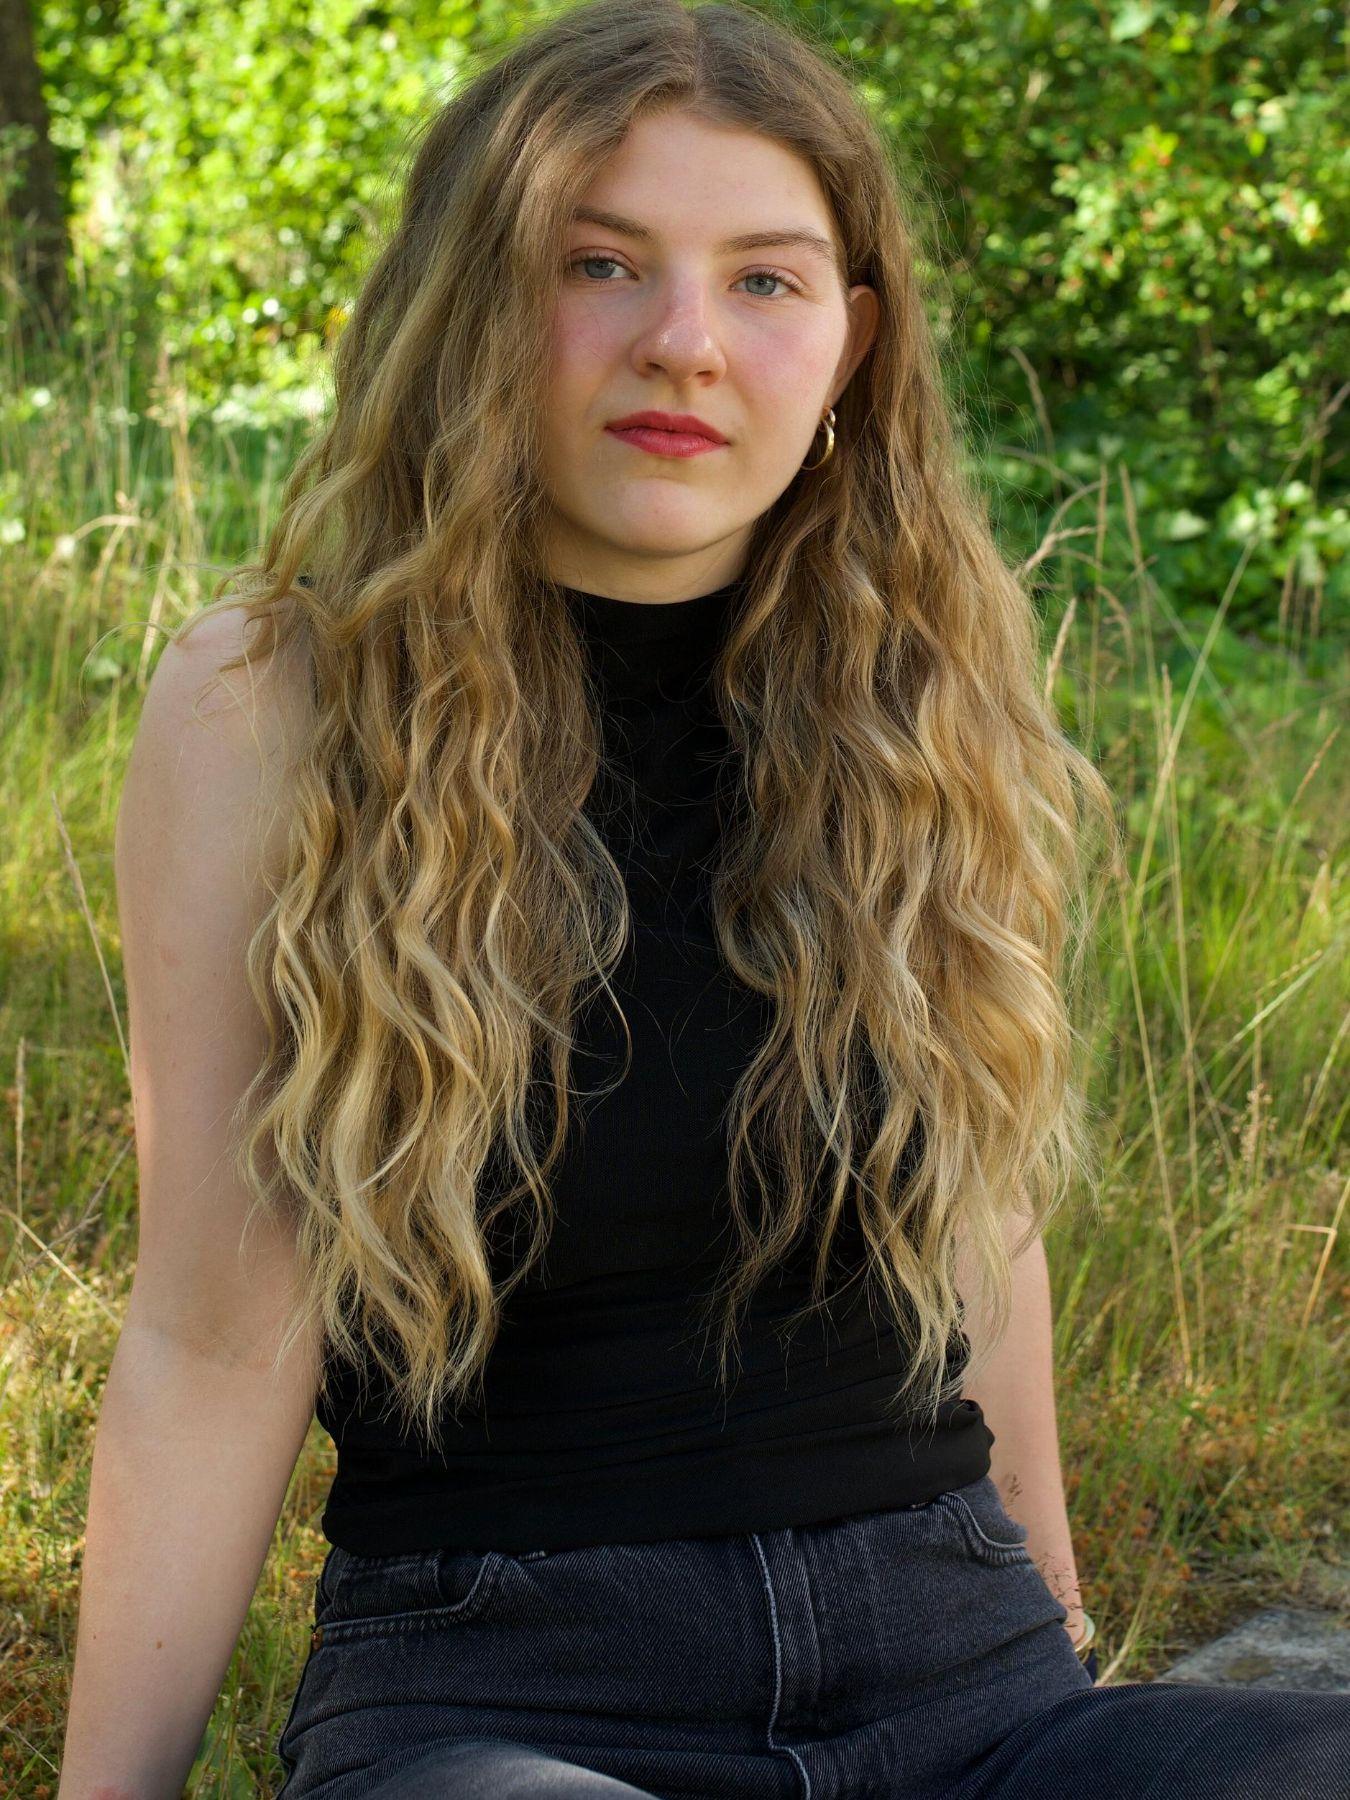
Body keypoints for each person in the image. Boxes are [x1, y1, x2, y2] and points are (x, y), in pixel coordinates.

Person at [61, 1, 1349, 1796]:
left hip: (954, 1673)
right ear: (473, 309)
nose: (682, 344)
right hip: (510, 1702)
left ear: (850, 343)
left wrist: (1061, 1683)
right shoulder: (276, 704)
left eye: (764, 280)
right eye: (600, 263)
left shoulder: (918, 693)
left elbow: (982, 1234)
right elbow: (211, 1329)